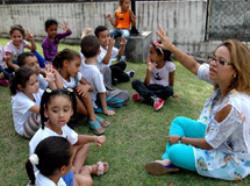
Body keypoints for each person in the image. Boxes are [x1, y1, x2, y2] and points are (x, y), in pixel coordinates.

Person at [145, 27, 250, 181]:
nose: (213, 64)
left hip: (230, 157)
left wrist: (182, 140)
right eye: (214, 58)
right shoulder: (222, 77)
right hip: (215, 135)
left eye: (221, 62)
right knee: (178, 122)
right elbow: (194, 66)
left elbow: (209, 144)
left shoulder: (233, 105)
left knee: (176, 150)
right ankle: (170, 161)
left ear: (236, 70)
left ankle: (171, 158)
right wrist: (171, 47)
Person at [29, 88, 109, 186]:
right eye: (55, 110)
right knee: (87, 182)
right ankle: (88, 169)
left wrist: (94, 138)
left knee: (85, 145)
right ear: (46, 111)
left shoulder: (61, 126)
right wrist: (70, 167)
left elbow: (76, 138)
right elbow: (50, 168)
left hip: (62, 168)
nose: (61, 115)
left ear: (72, 111)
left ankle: (76, 172)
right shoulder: (44, 138)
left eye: (66, 110)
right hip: (53, 173)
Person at [53, 49, 108, 135]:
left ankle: (92, 117)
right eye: (77, 65)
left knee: (81, 89)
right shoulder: (56, 77)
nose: (79, 69)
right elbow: (60, 94)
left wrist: (86, 87)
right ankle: (92, 117)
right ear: (66, 63)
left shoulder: (76, 75)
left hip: (79, 109)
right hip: (66, 111)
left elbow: (91, 87)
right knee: (72, 94)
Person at [80, 35, 129, 116]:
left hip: (90, 96)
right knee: (125, 94)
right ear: (99, 51)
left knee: (106, 69)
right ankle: (104, 105)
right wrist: (105, 110)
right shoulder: (95, 72)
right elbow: (102, 92)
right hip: (96, 100)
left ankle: (108, 94)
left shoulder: (81, 64)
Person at [131, 40, 175, 111]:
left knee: (169, 90)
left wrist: (172, 93)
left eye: (151, 53)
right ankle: (155, 99)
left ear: (161, 56)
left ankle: (144, 97)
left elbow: (171, 83)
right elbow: (146, 83)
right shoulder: (151, 64)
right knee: (135, 82)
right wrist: (149, 70)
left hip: (162, 89)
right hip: (150, 87)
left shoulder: (170, 66)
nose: (149, 55)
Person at [10, 67, 44, 138]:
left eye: (37, 81)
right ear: (20, 87)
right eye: (32, 84)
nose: (36, 85)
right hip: (25, 129)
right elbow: (41, 110)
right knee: (43, 113)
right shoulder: (19, 99)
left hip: (35, 121)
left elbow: (51, 96)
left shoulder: (35, 91)